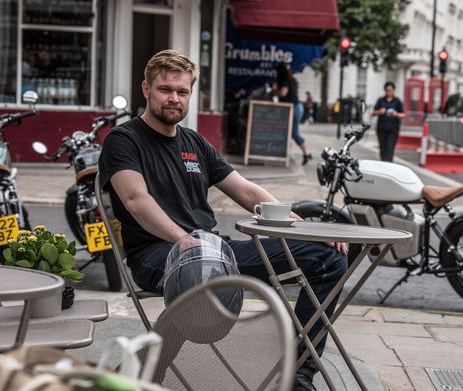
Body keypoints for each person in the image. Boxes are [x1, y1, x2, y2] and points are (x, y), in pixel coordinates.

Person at [98, 50, 347, 391]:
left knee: (329, 257)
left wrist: (307, 226)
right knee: (199, 273)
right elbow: (135, 200)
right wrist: (183, 240)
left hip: (216, 250)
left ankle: (298, 374)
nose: (174, 98)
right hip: (158, 254)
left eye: (182, 91)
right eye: (165, 89)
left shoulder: (194, 143)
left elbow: (245, 191)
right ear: (146, 88)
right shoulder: (123, 139)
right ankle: (145, 371)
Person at [275, 64, 312, 165]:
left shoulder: (285, 80)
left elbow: (283, 93)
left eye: (276, 72)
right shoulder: (291, 79)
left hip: (294, 109)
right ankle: (288, 153)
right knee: (289, 132)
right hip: (297, 107)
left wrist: (275, 91)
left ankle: (306, 153)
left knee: (294, 133)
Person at [371, 81, 405, 162]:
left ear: (393, 90)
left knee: (390, 147)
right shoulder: (380, 100)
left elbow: (403, 114)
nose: (389, 92)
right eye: (387, 90)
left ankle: (389, 163)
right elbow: (373, 113)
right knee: (382, 147)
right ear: (385, 90)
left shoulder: (397, 101)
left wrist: (396, 114)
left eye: (390, 90)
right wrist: (379, 111)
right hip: (381, 128)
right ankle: (383, 162)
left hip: (393, 128)